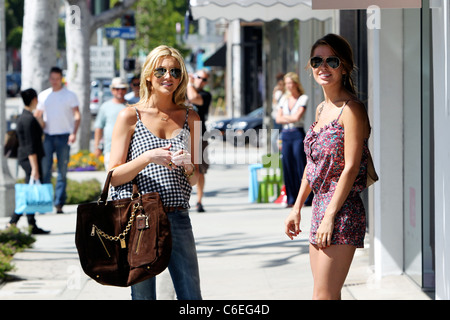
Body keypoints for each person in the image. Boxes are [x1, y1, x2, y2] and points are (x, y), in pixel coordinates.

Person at [108, 45, 202, 300]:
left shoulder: (191, 118)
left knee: (192, 297)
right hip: (140, 220)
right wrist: (148, 157)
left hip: (178, 217)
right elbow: (113, 175)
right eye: (160, 70)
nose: (168, 76)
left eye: (175, 71)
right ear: (148, 75)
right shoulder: (130, 116)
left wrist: (189, 166)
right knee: (143, 297)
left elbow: (193, 180)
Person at [284, 34, 371, 300]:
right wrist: (297, 207)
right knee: (326, 294)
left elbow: (351, 167)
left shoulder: (352, 109)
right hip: (320, 207)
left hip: (342, 210)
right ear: (310, 68)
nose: (324, 66)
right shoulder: (322, 108)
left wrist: (330, 216)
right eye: (317, 60)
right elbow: (313, 166)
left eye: (331, 61)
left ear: (344, 66)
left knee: (323, 296)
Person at [35, 67, 81, 214]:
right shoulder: (44, 96)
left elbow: (77, 115)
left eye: (57, 78)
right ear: (49, 79)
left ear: (61, 78)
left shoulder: (70, 95)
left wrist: (73, 133)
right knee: (45, 170)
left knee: (62, 170)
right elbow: (38, 115)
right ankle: (46, 202)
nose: (54, 81)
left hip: (64, 135)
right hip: (47, 136)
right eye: (52, 78)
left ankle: (59, 203)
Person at [8, 89, 49, 234]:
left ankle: (30, 224)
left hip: (27, 158)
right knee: (28, 193)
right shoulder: (28, 120)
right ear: (33, 100)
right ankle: (14, 222)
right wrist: (35, 169)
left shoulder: (26, 117)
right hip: (30, 159)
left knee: (29, 192)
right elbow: (30, 146)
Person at [275, 72, 312, 207]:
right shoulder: (283, 100)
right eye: (286, 84)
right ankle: (292, 198)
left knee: (300, 165)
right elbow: (277, 119)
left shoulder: (303, 98)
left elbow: (297, 118)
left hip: (297, 133)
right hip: (285, 134)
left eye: (290, 83)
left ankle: (306, 198)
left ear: (296, 83)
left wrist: (285, 118)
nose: (288, 86)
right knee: (287, 165)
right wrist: (287, 118)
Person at [186, 69, 211, 212]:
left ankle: (199, 201)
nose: (201, 80)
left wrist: (190, 82)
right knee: (182, 170)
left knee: (200, 171)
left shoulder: (205, 95)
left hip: (200, 136)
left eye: (205, 79)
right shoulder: (183, 91)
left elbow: (193, 97)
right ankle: (184, 199)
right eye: (199, 77)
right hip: (183, 136)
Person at [94, 77, 128, 169]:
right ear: (112, 90)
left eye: (123, 89)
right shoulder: (105, 107)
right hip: (110, 149)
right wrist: (97, 147)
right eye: (117, 89)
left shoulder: (132, 106)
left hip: (130, 149)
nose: (120, 91)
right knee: (110, 179)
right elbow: (99, 127)